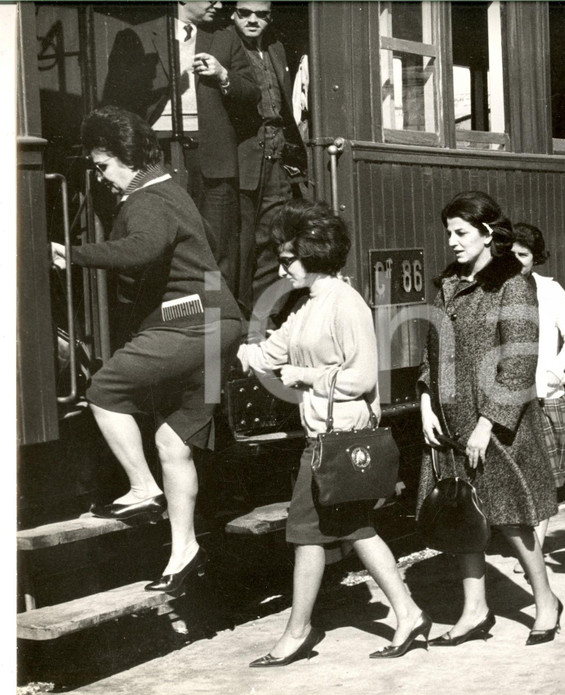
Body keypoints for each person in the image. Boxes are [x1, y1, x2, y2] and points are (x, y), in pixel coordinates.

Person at [50, 106, 243, 594]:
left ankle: (142, 488)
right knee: (172, 443)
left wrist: (71, 254)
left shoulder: (146, 197)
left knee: (104, 389)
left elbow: (140, 250)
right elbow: (209, 249)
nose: (101, 178)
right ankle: (183, 553)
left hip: (198, 323)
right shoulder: (174, 191)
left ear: (124, 158)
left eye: (102, 166)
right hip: (218, 320)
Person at [239, 200, 429, 665]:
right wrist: (244, 347)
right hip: (323, 435)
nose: (282, 267)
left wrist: (307, 378)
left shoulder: (347, 305)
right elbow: (273, 352)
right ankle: (406, 613)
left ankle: (298, 632)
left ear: (314, 255)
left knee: (308, 531)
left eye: (289, 259)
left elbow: (362, 379)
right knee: (349, 528)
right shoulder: (306, 305)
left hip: (340, 438)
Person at [417, 191, 562, 647]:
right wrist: (425, 401)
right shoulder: (447, 286)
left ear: (486, 234)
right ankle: (475, 610)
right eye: (449, 234)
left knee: (512, 518)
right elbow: (431, 354)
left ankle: (545, 603)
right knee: (463, 516)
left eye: (461, 233)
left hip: (499, 428)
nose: (453, 242)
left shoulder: (513, 284)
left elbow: (519, 362)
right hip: (449, 422)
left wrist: (487, 423)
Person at [102, 1, 260, 301]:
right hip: (158, 152)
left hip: (212, 156)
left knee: (217, 248)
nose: (220, 3)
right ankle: (170, 324)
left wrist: (224, 75)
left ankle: (214, 328)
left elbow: (252, 91)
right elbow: (118, 100)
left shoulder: (225, 38)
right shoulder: (137, 36)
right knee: (161, 241)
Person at [227, 1, 308, 311]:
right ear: (234, 14)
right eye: (245, 13)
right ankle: (244, 319)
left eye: (261, 15)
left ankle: (265, 316)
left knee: (277, 238)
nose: (252, 20)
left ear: (270, 17)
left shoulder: (274, 47)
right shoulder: (227, 42)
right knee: (246, 244)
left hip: (277, 159)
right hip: (245, 156)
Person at [510, 224, 565, 500]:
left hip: (545, 395)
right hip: (510, 400)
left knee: (546, 483)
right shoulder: (493, 292)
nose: (515, 261)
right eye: (510, 254)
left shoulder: (550, 290)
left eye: (522, 255)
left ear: (535, 258)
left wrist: (554, 370)